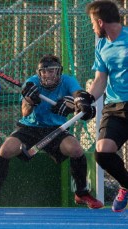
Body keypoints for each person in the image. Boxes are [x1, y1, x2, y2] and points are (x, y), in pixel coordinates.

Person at [0, 54, 103, 209]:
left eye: (51, 71)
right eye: (44, 71)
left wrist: (75, 103)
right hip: (30, 128)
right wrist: (30, 101)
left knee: (75, 149)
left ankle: (82, 193)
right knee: (6, 149)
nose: (47, 75)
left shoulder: (68, 81)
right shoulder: (32, 82)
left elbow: (78, 96)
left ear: (58, 72)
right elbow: (25, 113)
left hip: (57, 129)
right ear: (39, 72)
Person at [82, 0, 128, 212]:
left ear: (100, 22)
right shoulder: (101, 44)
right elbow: (100, 78)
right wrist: (88, 98)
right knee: (102, 151)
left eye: (92, 22)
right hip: (114, 106)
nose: (92, 27)